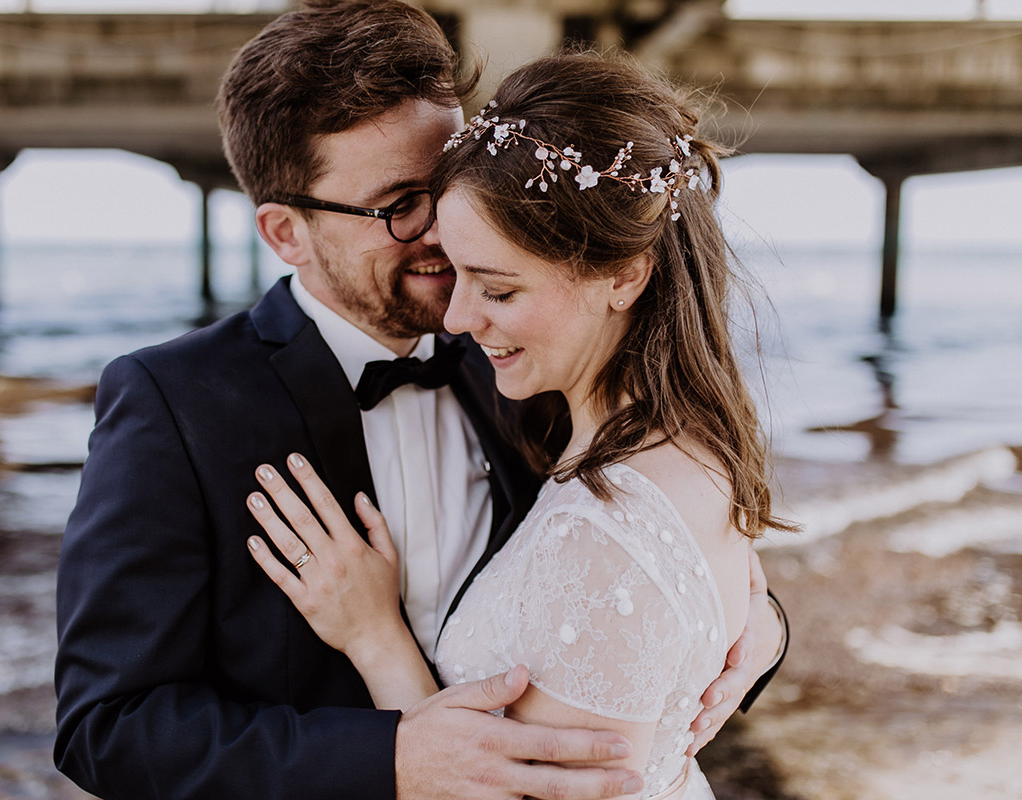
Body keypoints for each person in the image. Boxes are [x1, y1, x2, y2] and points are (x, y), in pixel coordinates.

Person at [53, 2, 787, 798]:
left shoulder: (525, 353)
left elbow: (631, 569)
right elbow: (107, 727)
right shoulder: (176, 404)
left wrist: (759, 630)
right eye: (401, 204)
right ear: (285, 233)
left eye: (448, 181)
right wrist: (391, 757)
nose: (448, 229)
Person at [243, 51, 796, 800]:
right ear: (284, 230)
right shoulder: (656, 440)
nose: (458, 318)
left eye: (497, 289)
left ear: (626, 276)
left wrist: (377, 642)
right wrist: (746, 623)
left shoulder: (605, 516)